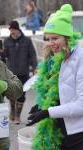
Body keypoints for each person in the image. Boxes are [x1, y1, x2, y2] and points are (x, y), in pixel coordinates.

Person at [26, 4, 83, 150]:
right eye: (48, 39)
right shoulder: (59, 58)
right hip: (60, 129)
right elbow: (61, 93)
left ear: (66, 36)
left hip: (78, 131)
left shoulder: (80, 59)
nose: (51, 43)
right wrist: (41, 107)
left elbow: (81, 104)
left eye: (55, 38)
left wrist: (48, 112)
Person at [0, 20, 37, 124]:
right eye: (10, 30)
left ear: (17, 29)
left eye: (13, 30)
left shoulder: (27, 41)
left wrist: (35, 68)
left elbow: (33, 55)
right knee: (12, 93)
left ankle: (17, 116)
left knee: (22, 94)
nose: (12, 32)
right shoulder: (7, 41)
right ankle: (12, 111)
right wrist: (1, 53)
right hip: (11, 72)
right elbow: (5, 57)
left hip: (24, 72)